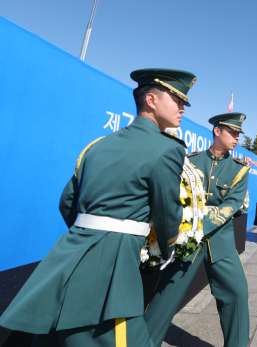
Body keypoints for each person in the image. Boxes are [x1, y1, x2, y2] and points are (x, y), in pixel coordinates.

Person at [0, 69, 196, 346]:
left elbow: (67, 201)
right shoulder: (168, 149)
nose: (182, 109)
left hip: (68, 253)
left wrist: (92, 234)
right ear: (151, 100)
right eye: (178, 100)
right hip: (112, 264)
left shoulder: (98, 145)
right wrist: (165, 249)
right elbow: (167, 212)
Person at [145, 112, 251, 347]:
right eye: (232, 132)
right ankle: (144, 341)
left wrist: (199, 226)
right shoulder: (190, 161)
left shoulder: (240, 169)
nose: (236, 138)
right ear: (217, 131)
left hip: (220, 242)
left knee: (237, 293)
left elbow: (232, 204)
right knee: (165, 297)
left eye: (238, 134)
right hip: (186, 243)